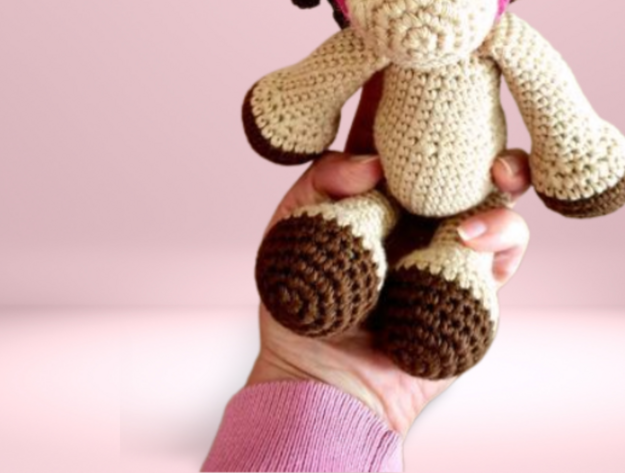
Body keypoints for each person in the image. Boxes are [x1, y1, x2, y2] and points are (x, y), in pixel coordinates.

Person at [201, 74, 533, 472]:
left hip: (470, 200)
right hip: (380, 189)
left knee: (457, 263)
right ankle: (347, 238)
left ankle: (444, 275)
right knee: (356, 222)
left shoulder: (508, 47)